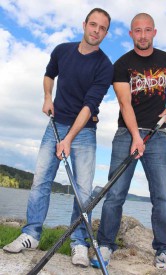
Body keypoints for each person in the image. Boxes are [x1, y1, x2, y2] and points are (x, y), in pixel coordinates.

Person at [3, 8, 113, 268]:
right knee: (41, 179)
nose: (96, 31)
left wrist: (68, 139)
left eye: (102, 28)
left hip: (84, 131)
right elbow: (49, 74)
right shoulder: (62, 50)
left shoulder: (105, 66)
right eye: (93, 25)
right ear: (84, 24)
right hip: (55, 124)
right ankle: (31, 234)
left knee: (83, 191)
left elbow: (89, 106)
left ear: (106, 33)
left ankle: (78, 243)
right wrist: (47, 97)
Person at [91, 13, 166, 274]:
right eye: (137, 31)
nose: (143, 35)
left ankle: (165, 250)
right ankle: (105, 245)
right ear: (131, 34)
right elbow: (125, 104)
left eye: (147, 30)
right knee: (115, 194)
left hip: (158, 137)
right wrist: (136, 137)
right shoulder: (122, 64)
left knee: (163, 197)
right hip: (127, 134)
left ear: (154, 32)